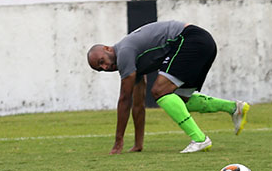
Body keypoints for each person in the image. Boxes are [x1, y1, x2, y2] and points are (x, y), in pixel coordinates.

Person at [87, 20, 249, 154]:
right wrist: (138, 144)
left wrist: (118, 142)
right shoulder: (132, 63)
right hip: (205, 43)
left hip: (190, 39)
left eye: (102, 61)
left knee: (159, 91)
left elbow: (124, 100)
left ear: (107, 48)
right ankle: (234, 108)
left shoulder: (124, 53)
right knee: (180, 100)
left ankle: (199, 139)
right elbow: (138, 105)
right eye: (100, 69)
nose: (105, 67)